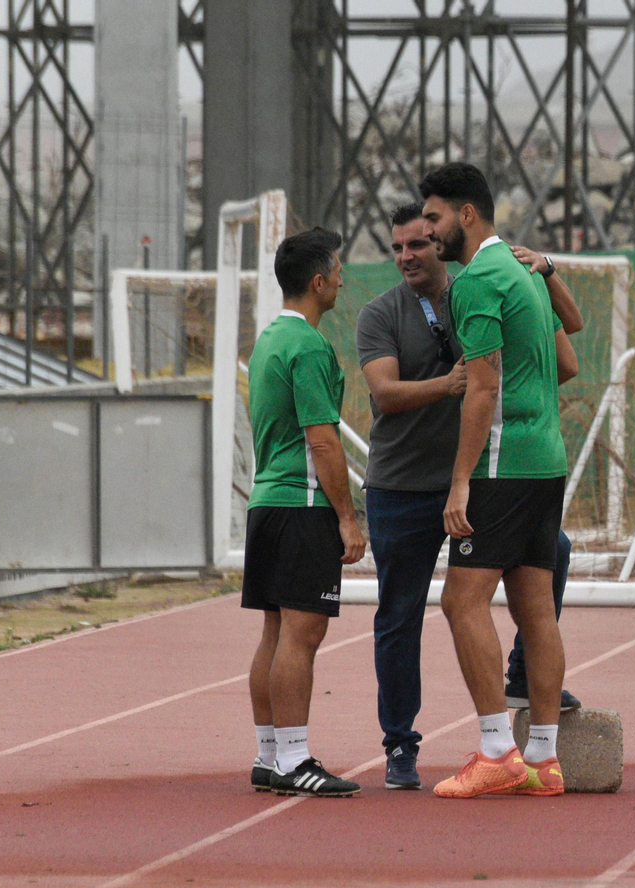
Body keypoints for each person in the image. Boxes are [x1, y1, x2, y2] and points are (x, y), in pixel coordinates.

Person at [356, 204, 584, 791]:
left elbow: (562, 356)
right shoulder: (380, 313)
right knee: (399, 616)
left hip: (481, 477)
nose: (407, 255)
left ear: (442, 241)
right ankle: (401, 745)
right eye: (397, 247)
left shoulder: (487, 288)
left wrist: (549, 268)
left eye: (418, 244)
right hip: (403, 485)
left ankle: (521, 681)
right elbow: (383, 394)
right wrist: (452, 384)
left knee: (550, 554)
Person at [419, 162, 572, 799]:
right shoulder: (525, 271)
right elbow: (567, 361)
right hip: (547, 459)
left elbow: (480, 387)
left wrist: (461, 482)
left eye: (434, 218)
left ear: (468, 215)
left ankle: (494, 749)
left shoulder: (479, 278)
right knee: (536, 608)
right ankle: (543, 759)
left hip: (503, 465)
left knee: (460, 601)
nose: (428, 232)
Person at [243, 227, 368, 798]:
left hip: (266, 501)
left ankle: (270, 754)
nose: (343, 278)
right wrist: (347, 516)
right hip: (302, 503)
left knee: (275, 631)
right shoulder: (311, 347)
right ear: (318, 282)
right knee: (304, 631)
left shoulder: (268, 339)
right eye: (338, 270)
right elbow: (323, 440)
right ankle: (295, 759)